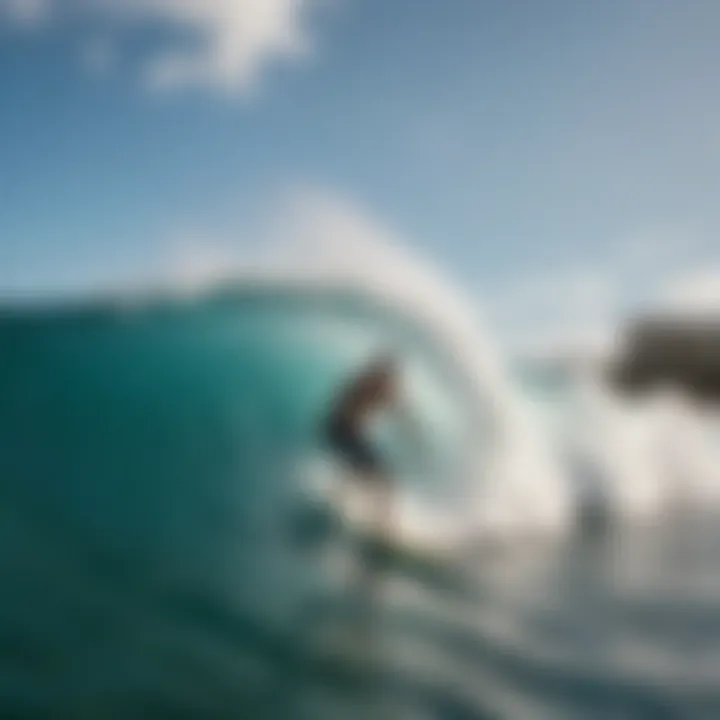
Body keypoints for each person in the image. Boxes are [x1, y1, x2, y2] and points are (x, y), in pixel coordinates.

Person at [324, 353, 412, 542]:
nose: (394, 383)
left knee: (367, 477)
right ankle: (382, 526)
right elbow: (344, 404)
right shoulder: (368, 384)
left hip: (346, 433)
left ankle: (346, 507)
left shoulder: (381, 388)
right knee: (382, 480)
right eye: (390, 378)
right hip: (342, 431)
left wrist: (413, 434)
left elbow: (399, 411)